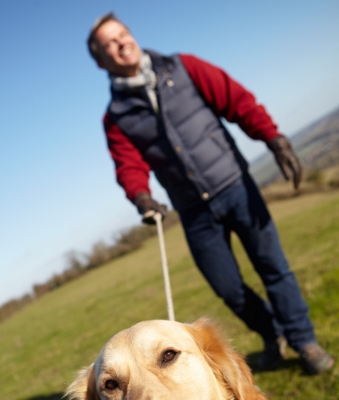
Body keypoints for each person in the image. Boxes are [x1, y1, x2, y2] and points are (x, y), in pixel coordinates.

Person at [86, 13, 334, 375]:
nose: (121, 43)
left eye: (123, 34)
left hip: (236, 185)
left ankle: (305, 342)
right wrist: (140, 196)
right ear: (100, 60)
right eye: (110, 42)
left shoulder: (184, 67)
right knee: (229, 289)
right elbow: (128, 165)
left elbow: (238, 101)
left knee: (274, 269)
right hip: (194, 212)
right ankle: (272, 334)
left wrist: (272, 137)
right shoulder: (116, 117)